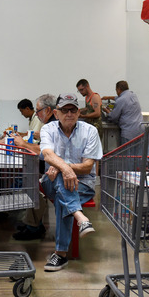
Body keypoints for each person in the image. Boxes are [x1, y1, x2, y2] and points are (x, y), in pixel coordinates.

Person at [40, 92, 103, 271]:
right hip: (50, 182)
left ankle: (60, 255)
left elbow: (87, 166)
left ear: (79, 112)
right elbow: (47, 154)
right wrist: (65, 169)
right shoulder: (48, 129)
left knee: (63, 193)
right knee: (61, 179)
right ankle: (81, 218)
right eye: (65, 110)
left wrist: (61, 167)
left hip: (83, 184)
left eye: (73, 110)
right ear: (56, 112)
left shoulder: (90, 131)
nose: (69, 114)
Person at [11, 94, 58, 240]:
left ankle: (33, 227)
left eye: (38, 110)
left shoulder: (52, 126)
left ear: (48, 110)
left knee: (33, 188)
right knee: (30, 183)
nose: (36, 114)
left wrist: (23, 144)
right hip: (49, 169)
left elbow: (43, 151)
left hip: (53, 172)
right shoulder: (50, 124)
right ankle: (33, 223)